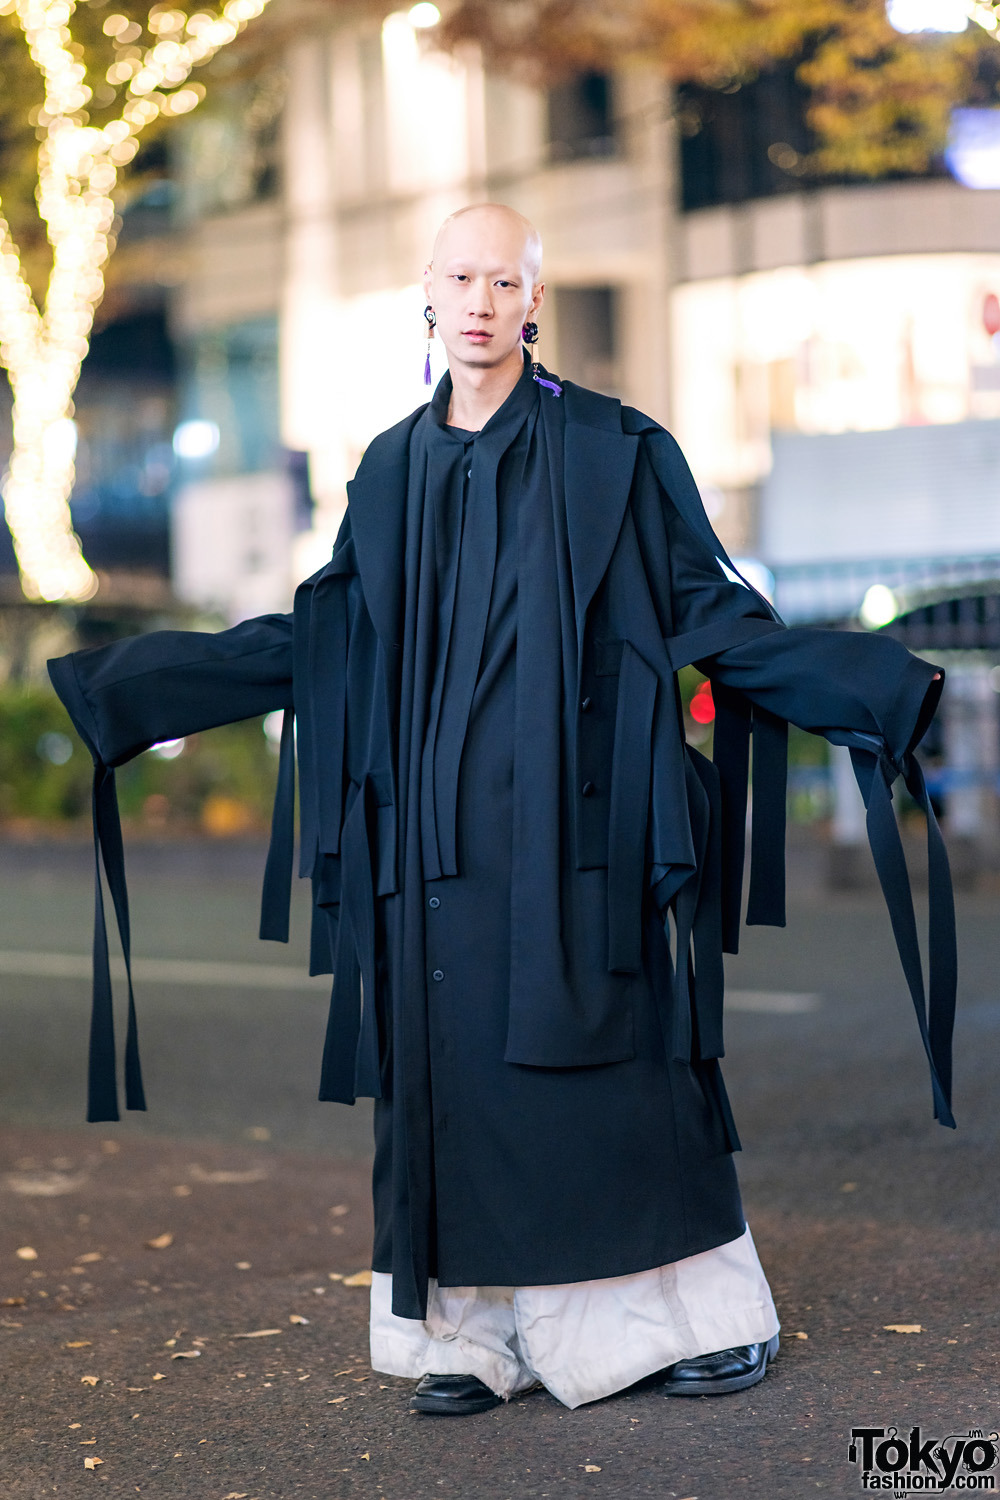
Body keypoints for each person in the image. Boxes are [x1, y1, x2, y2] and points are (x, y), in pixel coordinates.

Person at [48, 204, 955, 1416]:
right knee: (453, 1081)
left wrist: (876, 689)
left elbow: (711, 615)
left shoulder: (617, 451)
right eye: (459, 276)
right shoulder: (387, 466)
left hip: (584, 835)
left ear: (537, 300)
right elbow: (327, 636)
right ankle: (469, 1339)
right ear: (429, 293)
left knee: (616, 1080)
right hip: (424, 852)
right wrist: (129, 692)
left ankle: (688, 1324)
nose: (480, 299)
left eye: (505, 280)